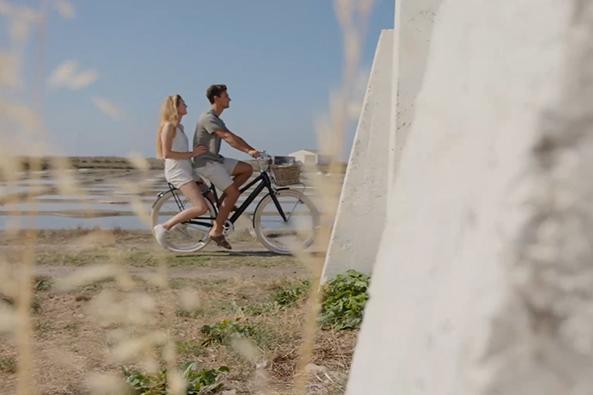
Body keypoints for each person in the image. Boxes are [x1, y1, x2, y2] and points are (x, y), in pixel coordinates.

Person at [193, 84, 260, 250]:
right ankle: (216, 231)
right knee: (234, 192)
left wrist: (252, 150)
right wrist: (249, 150)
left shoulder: (217, 119)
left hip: (216, 160)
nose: (229, 99)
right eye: (226, 96)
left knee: (247, 169)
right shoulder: (208, 118)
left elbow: (233, 136)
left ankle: (224, 200)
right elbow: (227, 137)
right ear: (216, 98)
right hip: (206, 163)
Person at [153, 94, 209, 247]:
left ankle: (182, 224)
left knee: (210, 196)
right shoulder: (169, 127)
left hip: (187, 169)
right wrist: (193, 154)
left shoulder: (180, 127)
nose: (187, 106)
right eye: (183, 103)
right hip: (178, 172)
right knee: (201, 207)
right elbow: (167, 154)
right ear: (175, 107)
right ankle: (164, 227)